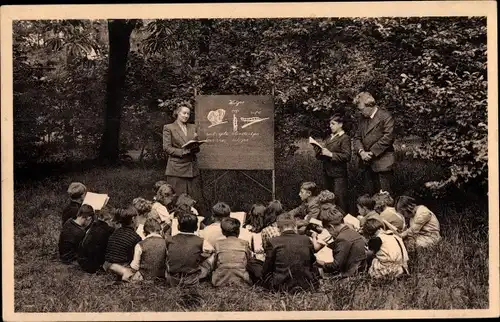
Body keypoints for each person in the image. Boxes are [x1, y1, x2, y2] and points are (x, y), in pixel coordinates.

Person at [261, 213, 320, 293]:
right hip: (306, 286)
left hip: (281, 287)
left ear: (278, 228)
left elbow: (266, 269)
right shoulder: (306, 239)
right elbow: (313, 263)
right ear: (295, 226)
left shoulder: (273, 242)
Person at [353, 92, 395, 195]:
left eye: (361, 109)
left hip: (382, 164)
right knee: (370, 197)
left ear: (370, 105)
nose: (360, 112)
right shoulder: (362, 119)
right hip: (366, 164)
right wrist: (362, 152)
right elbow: (356, 138)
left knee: (384, 197)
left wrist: (371, 153)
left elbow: (388, 138)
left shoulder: (385, 116)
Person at [163, 104, 202, 202]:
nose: (186, 116)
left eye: (188, 114)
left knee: (194, 200)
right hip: (177, 169)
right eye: (184, 113)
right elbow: (167, 148)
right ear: (177, 113)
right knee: (177, 199)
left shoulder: (193, 127)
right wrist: (183, 152)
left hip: (192, 169)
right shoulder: (169, 128)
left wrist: (196, 146)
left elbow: (196, 149)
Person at [314, 206, 366, 278]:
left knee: (315, 272)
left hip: (349, 275)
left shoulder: (342, 238)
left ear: (331, 227)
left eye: (328, 230)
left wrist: (319, 262)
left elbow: (335, 266)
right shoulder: (352, 232)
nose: (330, 233)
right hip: (359, 271)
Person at [314, 114, 351, 213]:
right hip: (327, 172)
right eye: (330, 124)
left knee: (340, 200)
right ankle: (330, 219)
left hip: (339, 174)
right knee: (327, 199)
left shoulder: (345, 138)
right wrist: (319, 151)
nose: (330, 126)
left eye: (333, 124)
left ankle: (342, 221)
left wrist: (330, 154)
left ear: (340, 124)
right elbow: (324, 155)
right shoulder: (329, 138)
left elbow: (347, 156)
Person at [165, 212, 215, 287]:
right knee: (214, 255)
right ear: (196, 228)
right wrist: (201, 257)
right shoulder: (201, 241)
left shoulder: (170, 239)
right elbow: (212, 250)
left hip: (172, 279)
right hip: (191, 280)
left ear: (178, 227)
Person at [212, 217, 253, 288]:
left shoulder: (218, 244)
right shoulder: (245, 243)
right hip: (242, 281)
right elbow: (249, 262)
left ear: (223, 232)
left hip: (220, 281)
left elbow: (214, 264)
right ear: (238, 231)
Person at [103, 207, 142, 281]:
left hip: (107, 265)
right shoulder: (135, 237)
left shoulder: (115, 232)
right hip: (122, 266)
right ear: (133, 219)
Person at [77, 206, 115, 273]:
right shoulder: (108, 230)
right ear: (110, 219)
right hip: (94, 266)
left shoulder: (93, 226)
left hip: (82, 261)